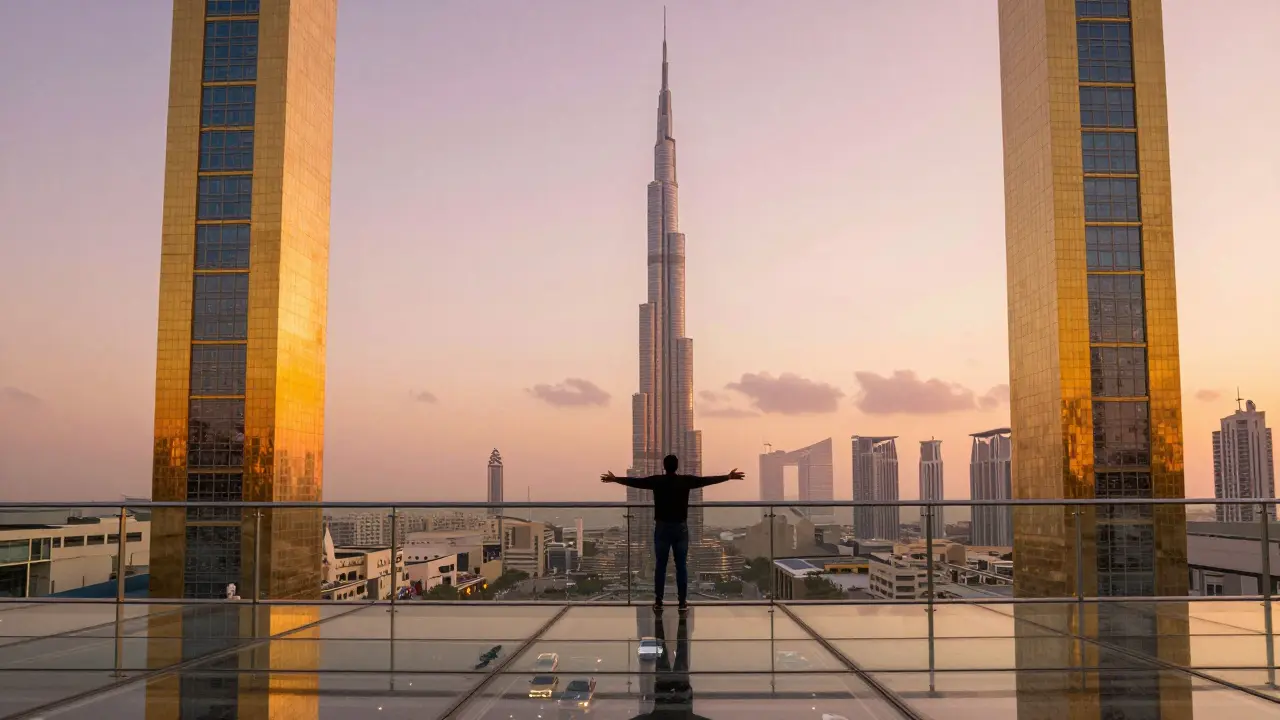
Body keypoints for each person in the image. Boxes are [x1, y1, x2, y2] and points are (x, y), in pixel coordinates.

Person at [602, 455, 744, 611]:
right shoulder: (685, 481)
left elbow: (637, 482)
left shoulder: (657, 481)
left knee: (660, 566)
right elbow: (705, 480)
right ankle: (682, 603)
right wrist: (728, 477)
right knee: (681, 566)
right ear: (677, 466)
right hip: (680, 529)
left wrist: (615, 479)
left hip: (662, 528)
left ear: (664, 466)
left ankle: (658, 602)